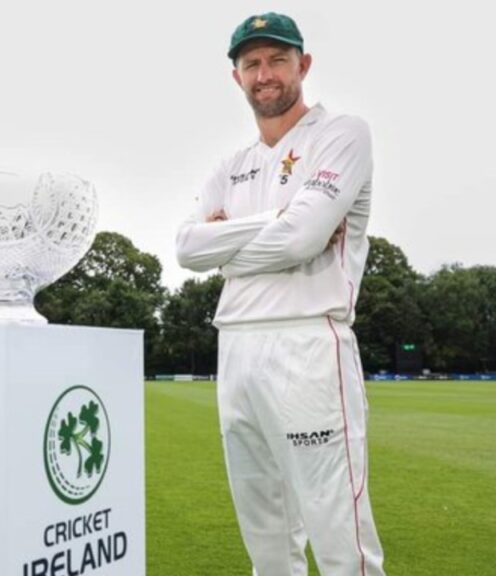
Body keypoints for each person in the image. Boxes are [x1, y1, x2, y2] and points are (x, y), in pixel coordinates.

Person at [175, 13, 385, 576]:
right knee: (265, 536)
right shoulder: (232, 165)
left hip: (307, 343)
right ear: (237, 77)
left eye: (277, 60)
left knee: (339, 536)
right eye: (252, 64)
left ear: (303, 65)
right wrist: (276, 221)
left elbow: (303, 239)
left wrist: (228, 246)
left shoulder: (342, 133)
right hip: (236, 348)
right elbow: (187, 250)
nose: (264, 74)